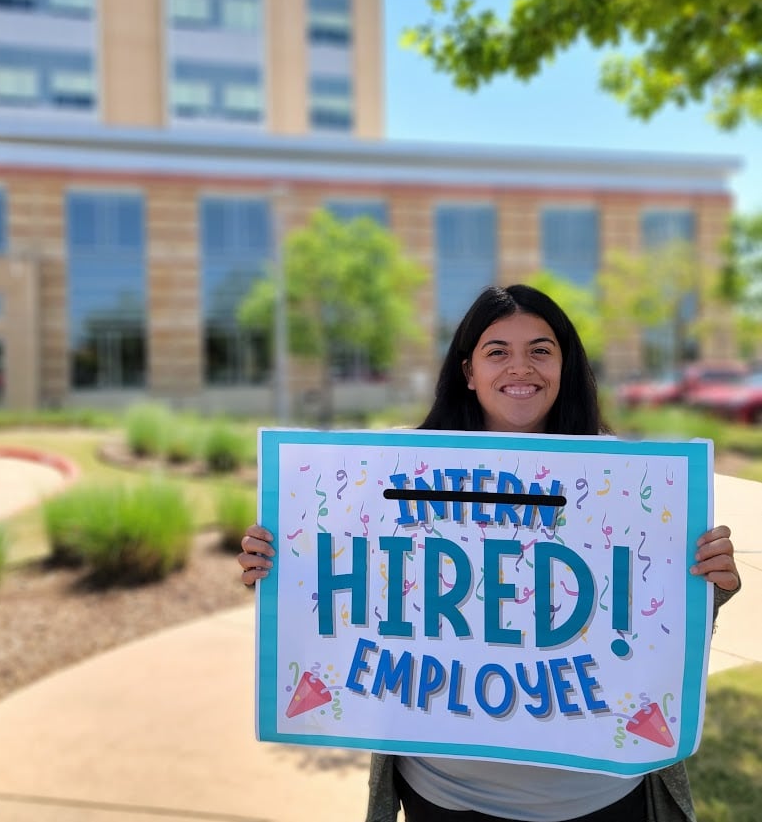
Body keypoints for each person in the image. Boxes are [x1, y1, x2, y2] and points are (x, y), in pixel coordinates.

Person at [237, 284, 741, 822]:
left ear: (565, 367)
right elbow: (338, 567)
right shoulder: (394, 472)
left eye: (541, 351)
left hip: (601, 797)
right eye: (497, 351)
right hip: (446, 797)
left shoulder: (626, 481)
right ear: (468, 371)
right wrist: (276, 563)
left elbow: (654, 637)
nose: (519, 368)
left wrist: (710, 587)